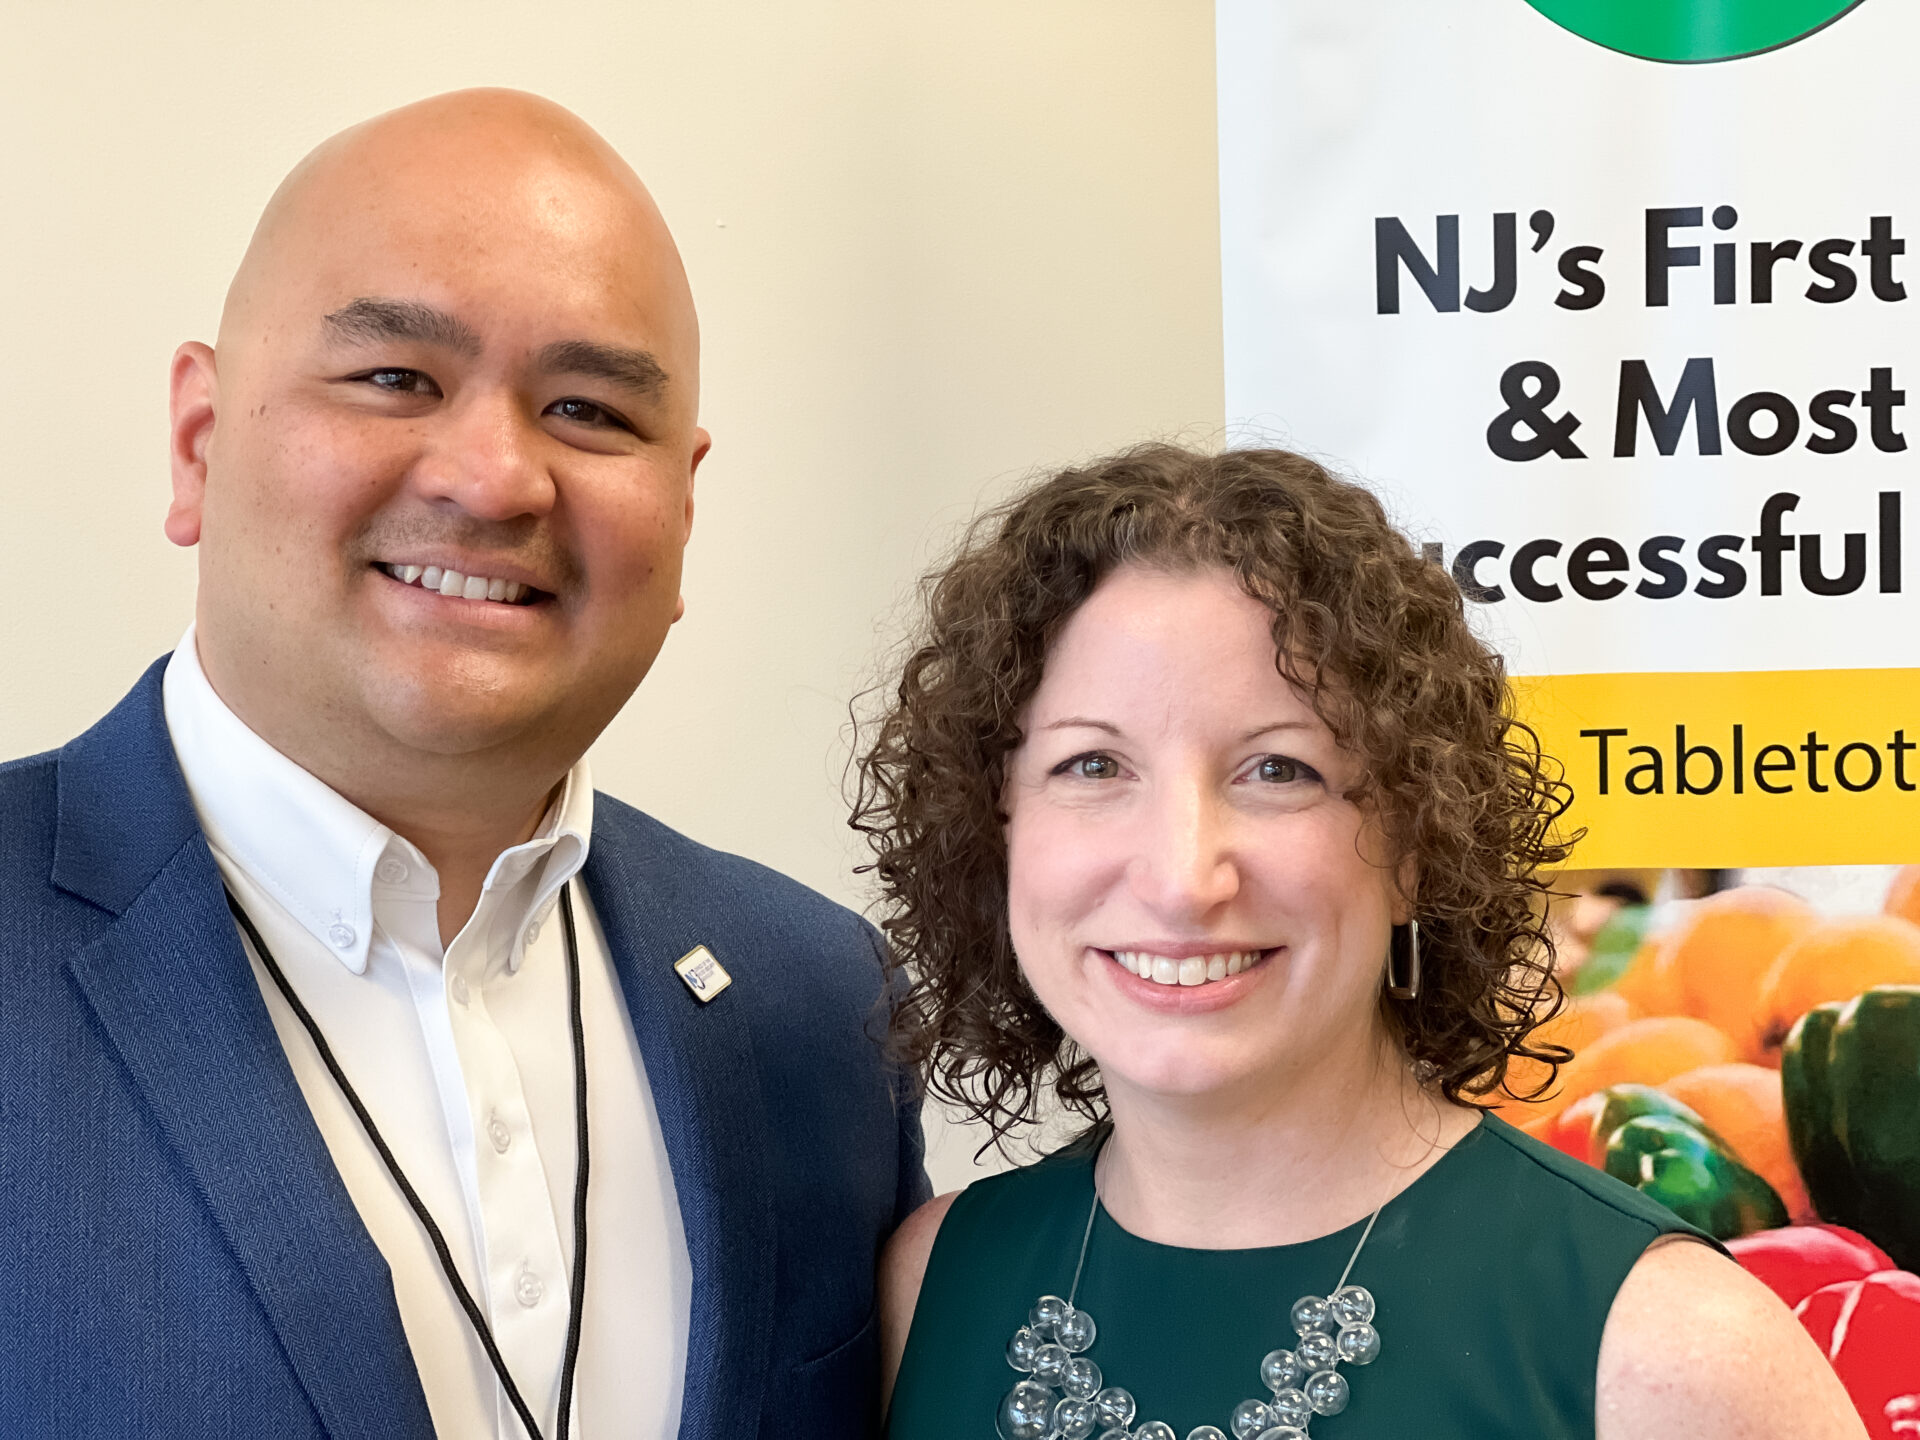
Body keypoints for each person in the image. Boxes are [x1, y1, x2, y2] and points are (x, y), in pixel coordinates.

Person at [0, 90, 926, 1440]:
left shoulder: (821, 1004)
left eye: (590, 409)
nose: (497, 479)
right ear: (200, 441)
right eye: (395, 380)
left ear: (683, 502)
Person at [857, 445, 1861, 1440]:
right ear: (996, 828)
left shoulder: (1675, 1352)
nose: (1181, 875)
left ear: (1419, 837)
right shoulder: (930, 1287)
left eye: (1278, 771)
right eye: (1092, 765)